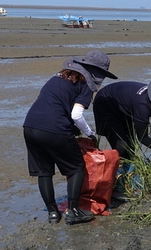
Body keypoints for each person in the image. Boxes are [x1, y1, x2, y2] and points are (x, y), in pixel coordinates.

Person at [23, 51, 116, 226]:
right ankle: (74, 211)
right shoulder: (85, 82)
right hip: (55, 128)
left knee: (44, 171)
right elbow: (76, 114)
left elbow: (54, 104)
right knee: (76, 167)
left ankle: (52, 213)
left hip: (30, 126)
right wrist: (90, 133)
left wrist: (72, 128)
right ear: (95, 72)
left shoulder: (60, 76)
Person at [93, 79, 151, 160]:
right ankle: (118, 174)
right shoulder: (142, 106)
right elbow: (143, 138)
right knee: (122, 148)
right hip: (105, 105)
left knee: (131, 147)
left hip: (124, 106)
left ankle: (128, 170)